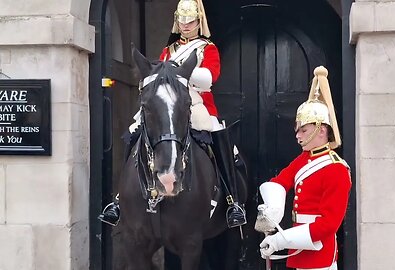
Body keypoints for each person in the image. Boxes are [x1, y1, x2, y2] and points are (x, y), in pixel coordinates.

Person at [99, 0, 247, 228]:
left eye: (191, 22)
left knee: (217, 132)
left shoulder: (207, 48)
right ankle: (119, 199)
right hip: (168, 100)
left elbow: (209, 78)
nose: (186, 26)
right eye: (182, 21)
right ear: (177, 22)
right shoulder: (168, 50)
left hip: (197, 101)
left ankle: (232, 201)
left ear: (199, 22)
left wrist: (176, 71)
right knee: (135, 128)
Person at [256, 66, 351, 270]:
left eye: (304, 130)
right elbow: (280, 182)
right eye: (297, 130)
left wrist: (280, 241)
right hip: (297, 246)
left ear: (321, 130)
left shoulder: (337, 170)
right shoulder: (303, 159)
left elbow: (328, 225)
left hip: (318, 251)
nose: (298, 135)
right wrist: (272, 212)